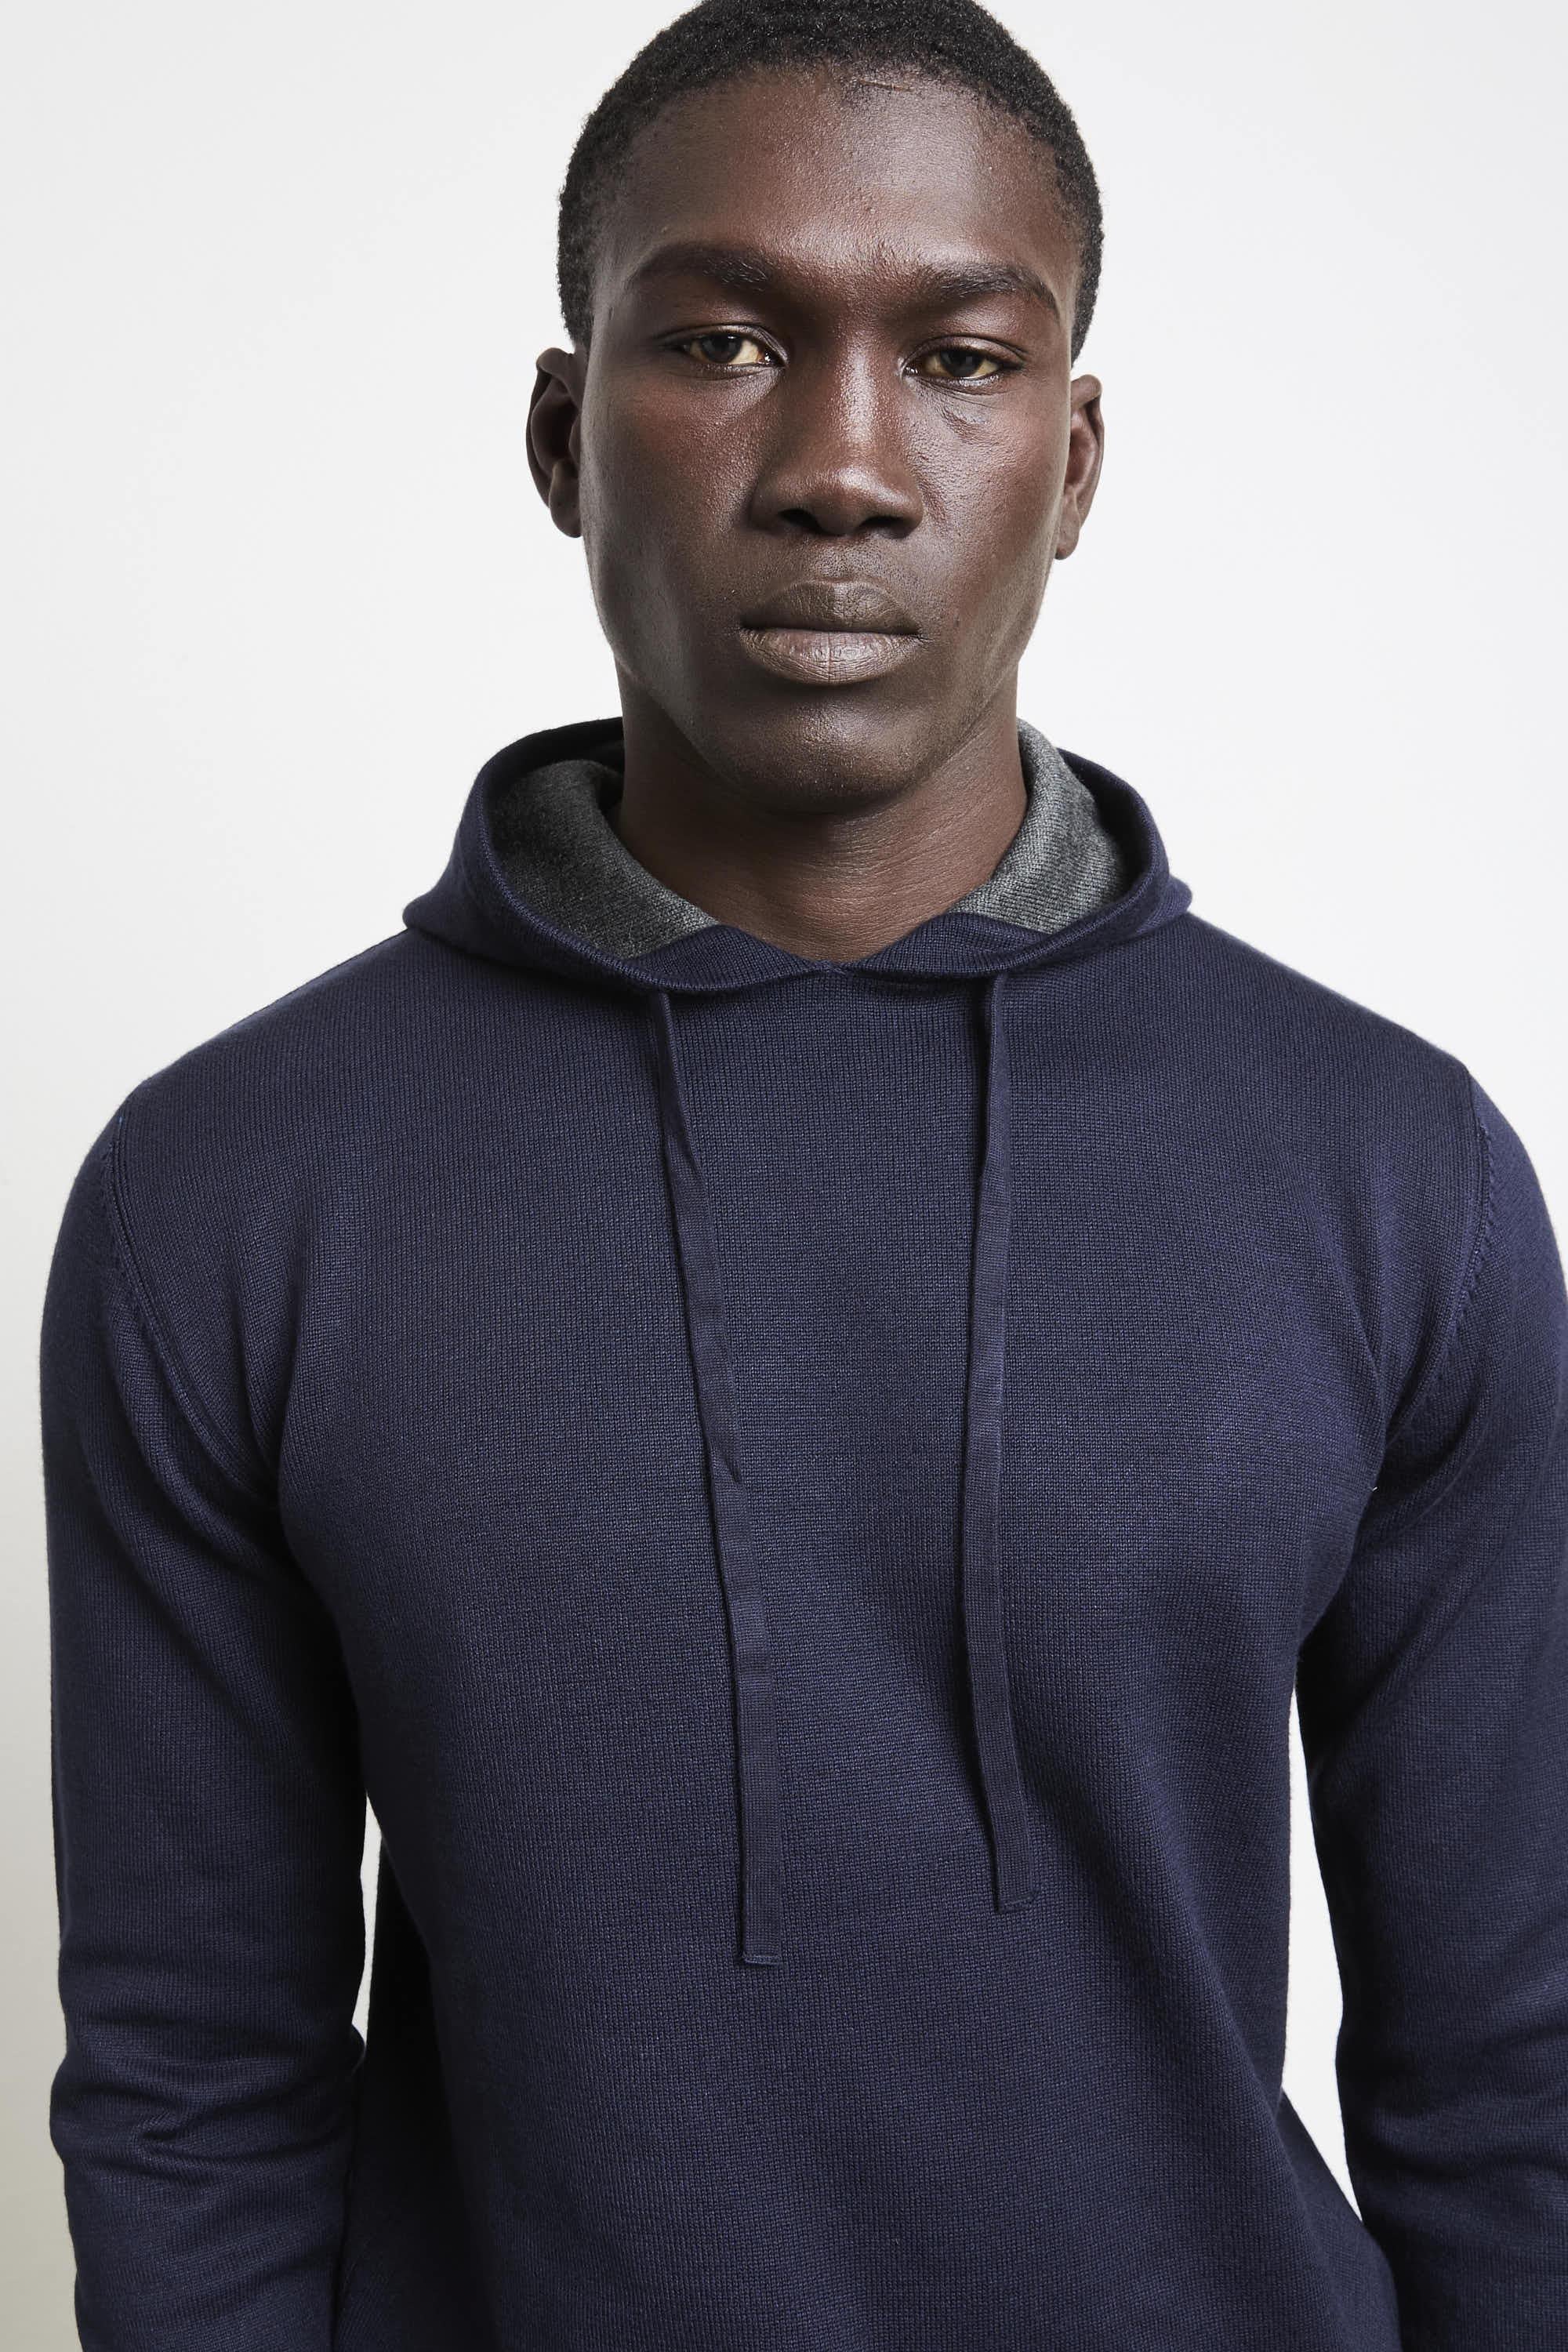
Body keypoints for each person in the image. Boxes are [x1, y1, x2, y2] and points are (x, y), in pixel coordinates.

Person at [39, 1, 1568, 2346]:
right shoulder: (231, 1192)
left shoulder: (1393, 1173)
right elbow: (194, 2094)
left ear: (1070, 460)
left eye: (958, 360)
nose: (843, 468)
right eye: (726, 341)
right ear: (564, 436)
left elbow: (1515, 2078)